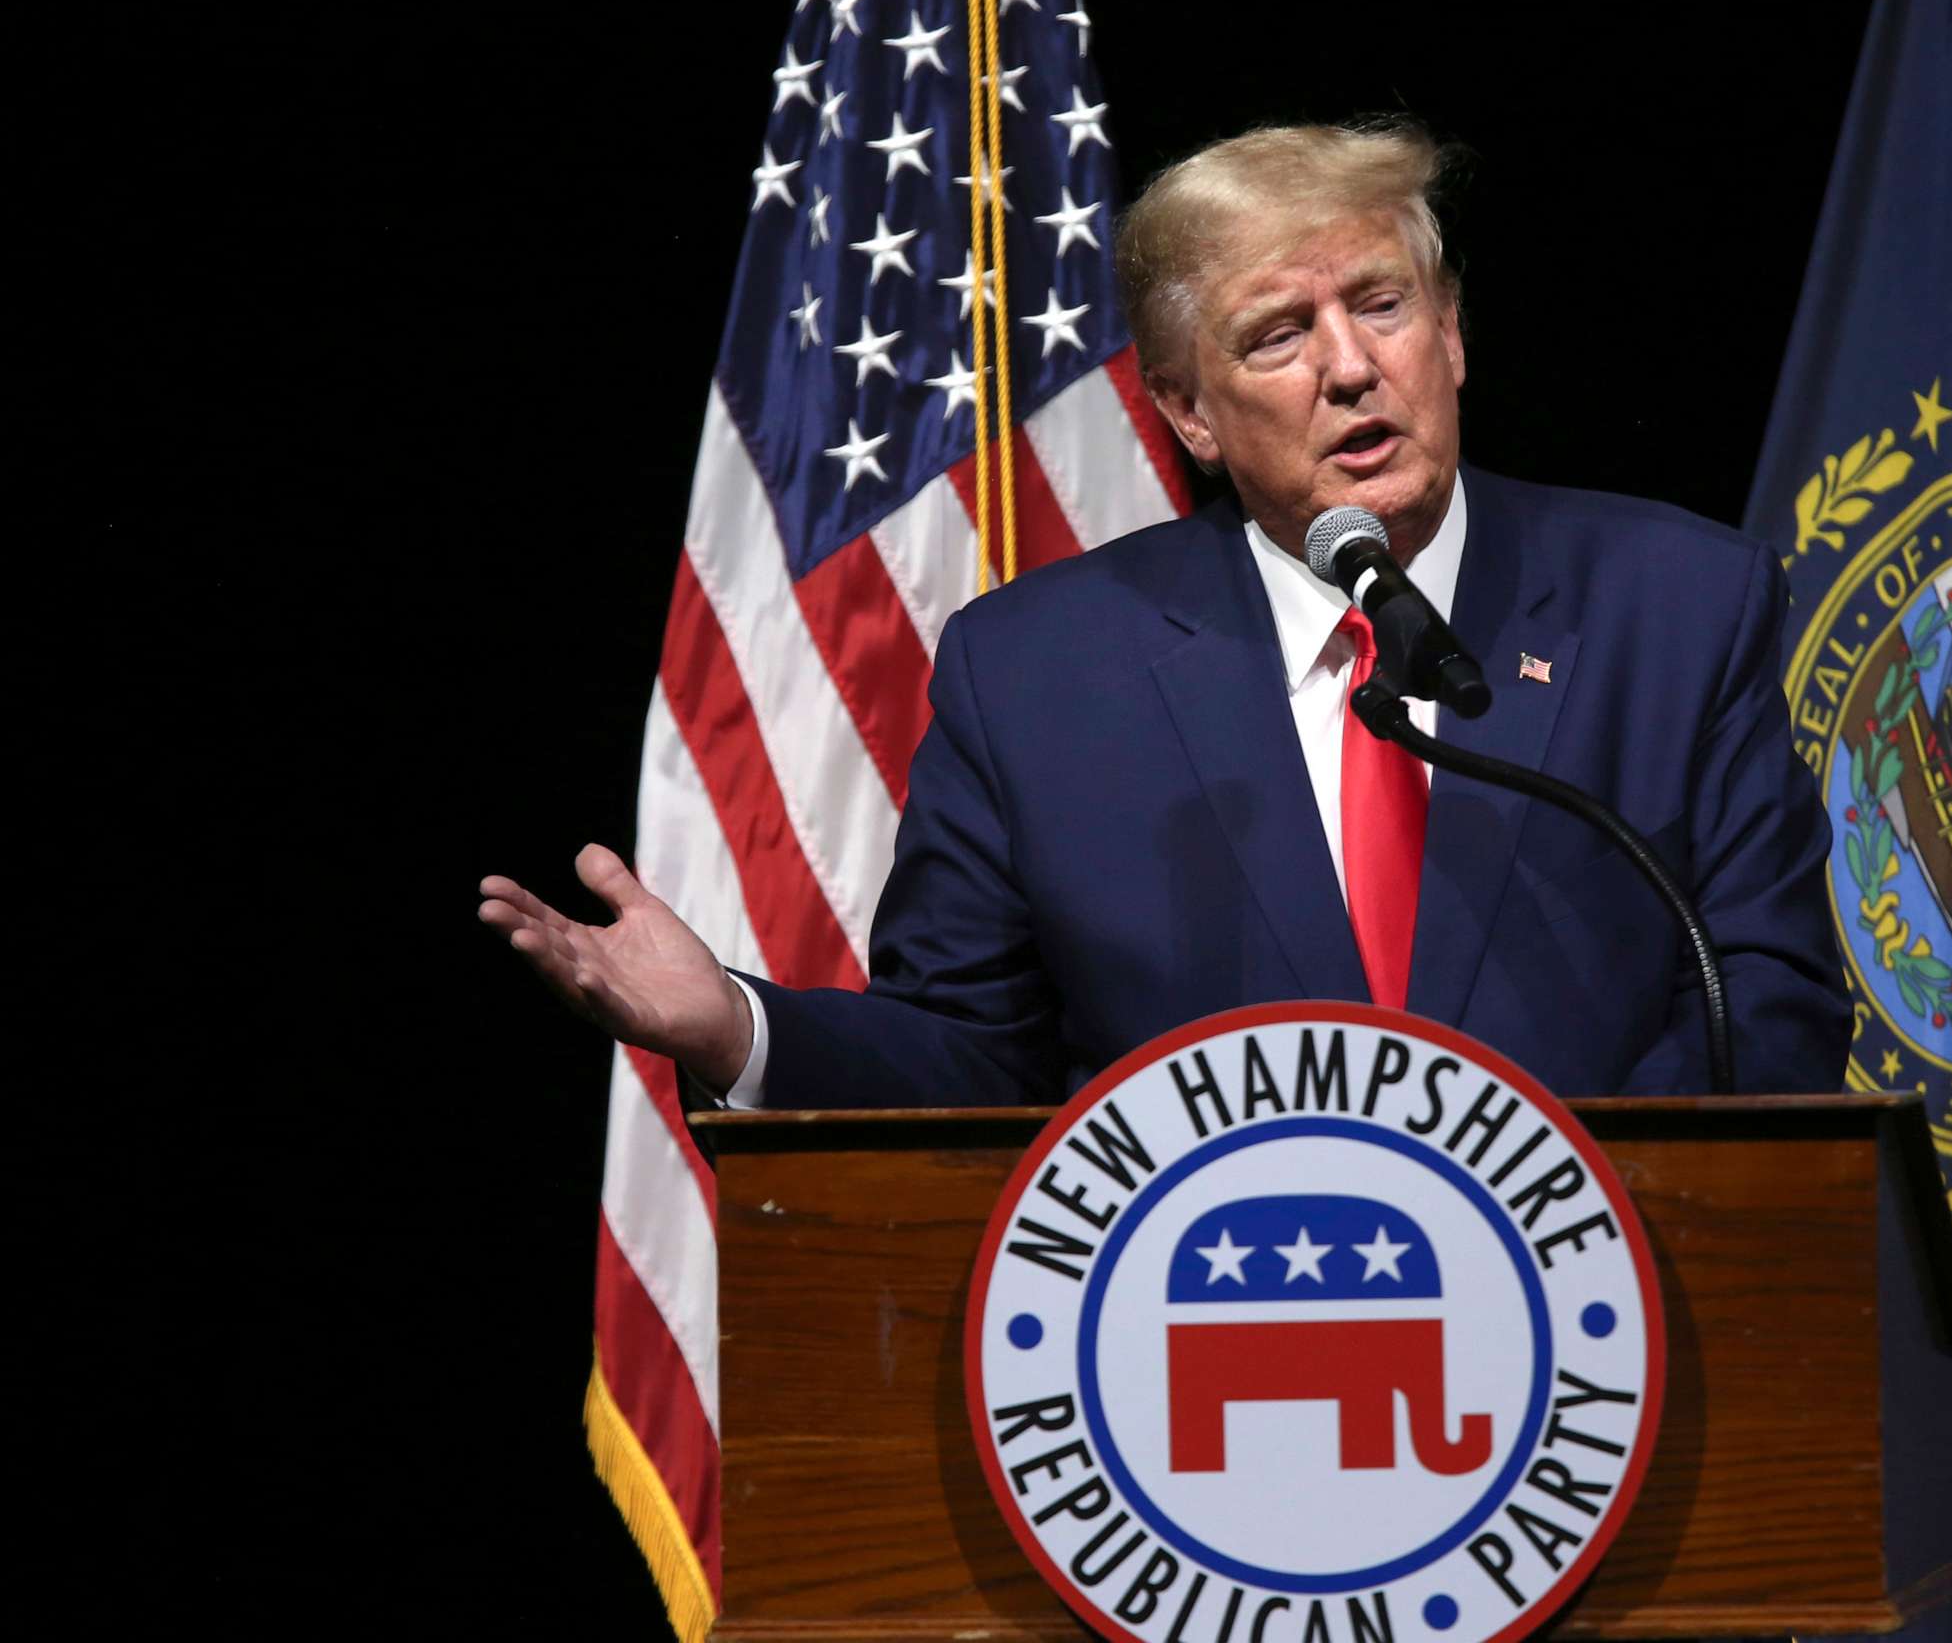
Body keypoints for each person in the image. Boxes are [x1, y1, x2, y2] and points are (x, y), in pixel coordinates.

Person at [479, 122, 1847, 1107]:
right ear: (1188, 414)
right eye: (1278, 335)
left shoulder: (1679, 604)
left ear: (1455, 335)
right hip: (1206, 1374)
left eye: (1383, 305)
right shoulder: (1039, 676)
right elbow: (971, 1054)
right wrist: (733, 1026)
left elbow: (1766, 1003)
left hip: (1614, 1334)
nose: (1353, 368)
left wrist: (1543, 1216)